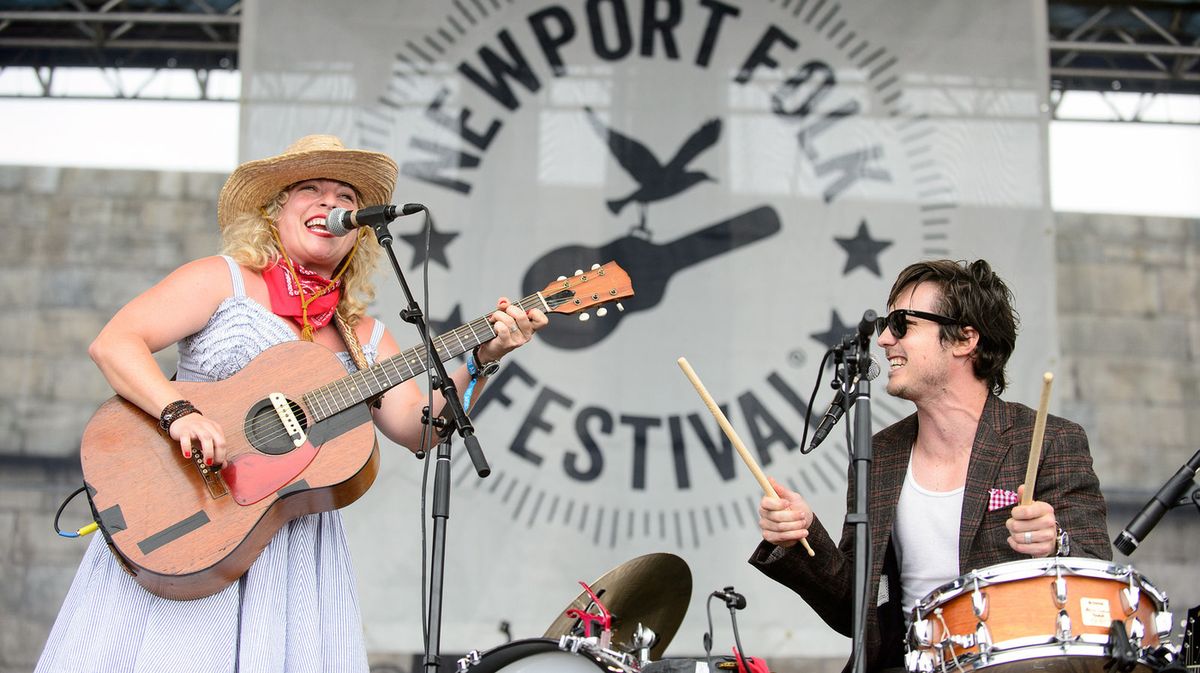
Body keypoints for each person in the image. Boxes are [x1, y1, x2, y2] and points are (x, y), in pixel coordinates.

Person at [36, 135, 548, 672]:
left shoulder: (364, 336)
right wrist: (178, 411)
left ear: (361, 228)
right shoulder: (221, 280)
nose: (330, 204)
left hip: (290, 545)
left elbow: (420, 430)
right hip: (185, 512)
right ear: (276, 209)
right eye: (311, 189)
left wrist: (485, 357)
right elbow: (115, 343)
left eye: (345, 196)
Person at [751, 259, 1111, 673]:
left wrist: (1055, 542)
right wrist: (800, 536)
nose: (885, 339)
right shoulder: (881, 453)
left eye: (902, 323)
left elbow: (1098, 577)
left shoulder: (1048, 439)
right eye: (887, 323)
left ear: (964, 339)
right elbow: (857, 610)